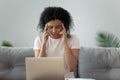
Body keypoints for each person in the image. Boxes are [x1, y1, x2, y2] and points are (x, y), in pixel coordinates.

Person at [33, 6, 80, 78]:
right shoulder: (39, 39)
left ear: (64, 26)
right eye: (50, 27)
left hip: (66, 78)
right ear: (45, 26)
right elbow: (37, 69)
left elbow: (71, 68)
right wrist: (44, 43)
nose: (54, 31)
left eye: (57, 27)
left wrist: (64, 42)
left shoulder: (73, 39)